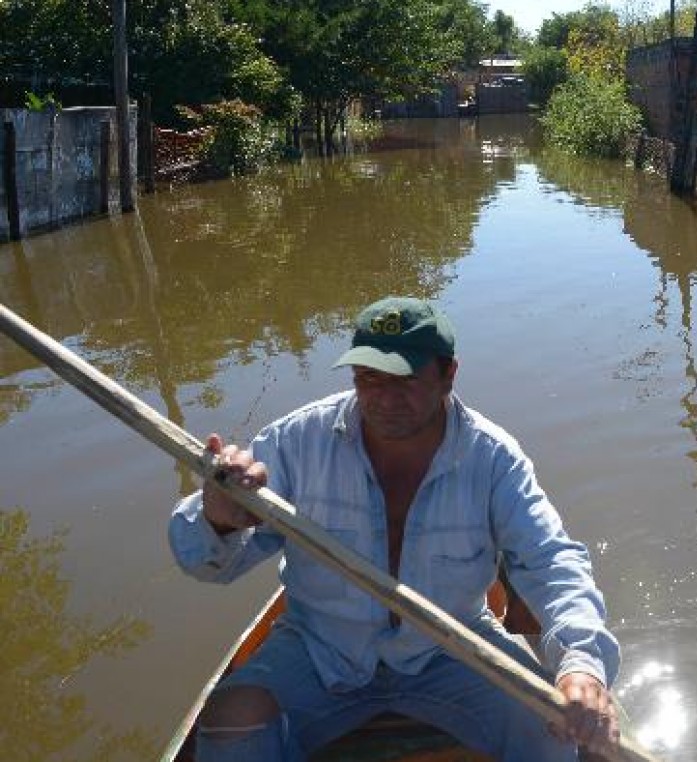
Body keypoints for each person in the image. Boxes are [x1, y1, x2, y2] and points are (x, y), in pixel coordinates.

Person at [168, 296, 621, 762]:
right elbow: (201, 563)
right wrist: (219, 516)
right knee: (232, 716)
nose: (383, 400)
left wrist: (581, 666)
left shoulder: (493, 458)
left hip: (453, 651)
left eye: (404, 381)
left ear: (449, 374)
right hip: (320, 648)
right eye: (368, 379)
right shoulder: (298, 442)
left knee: (553, 729)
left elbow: (551, 561)